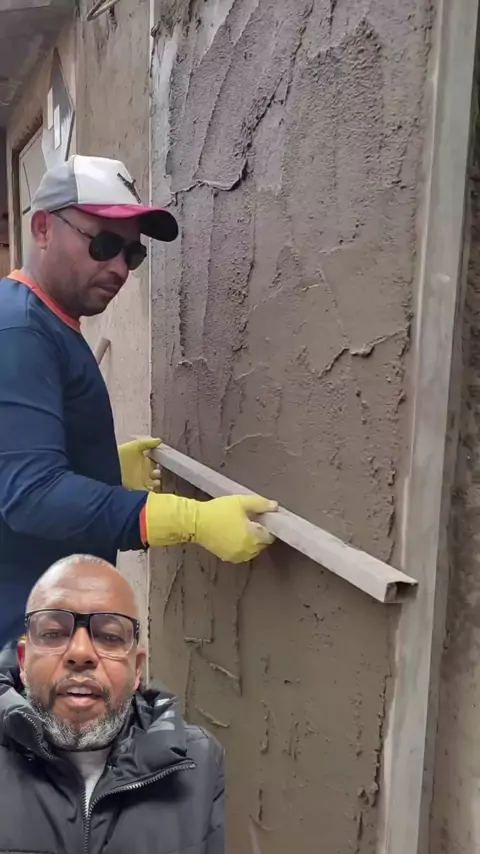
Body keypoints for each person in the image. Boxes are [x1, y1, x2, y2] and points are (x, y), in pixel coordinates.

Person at [0, 154, 277, 651]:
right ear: (42, 228)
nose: (119, 268)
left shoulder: (46, 323)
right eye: (104, 244)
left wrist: (101, 467)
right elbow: (31, 496)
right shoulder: (19, 330)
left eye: (132, 254)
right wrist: (188, 521)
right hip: (21, 647)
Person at [0, 554, 224, 853]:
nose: (81, 653)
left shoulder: (200, 764)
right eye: (53, 633)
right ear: (23, 662)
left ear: (137, 669)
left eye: (109, 636)